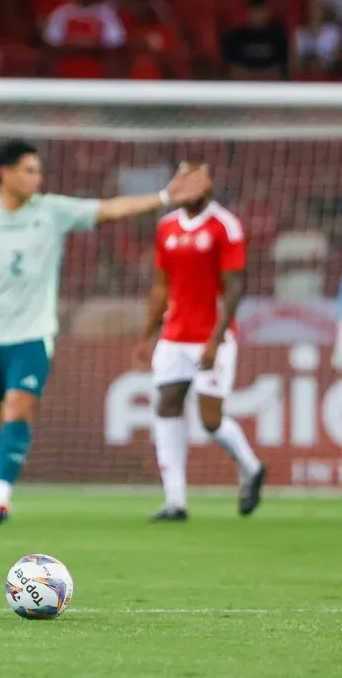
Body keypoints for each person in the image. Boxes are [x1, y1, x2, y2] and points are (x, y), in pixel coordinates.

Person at [0, 139, 210, 528]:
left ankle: (1, 497)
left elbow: (108, 209)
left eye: (38, 170)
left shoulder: (52, 211)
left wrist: (162, 196)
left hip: (34, 334)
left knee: (19, 405)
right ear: (6, 173)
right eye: (30, 170)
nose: (38, 177)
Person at [132, 162, 265, 521]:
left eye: (197, 181)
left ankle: (251, 467)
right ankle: (175, 500)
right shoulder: (167, 227)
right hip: (174, 335)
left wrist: (216, 339)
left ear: (209, 186)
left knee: (209, 421)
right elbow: (161, 285)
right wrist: (147, 333)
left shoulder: (225, 226)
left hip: (211, 336)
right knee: (166, 404)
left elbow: (236, 286)